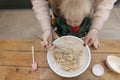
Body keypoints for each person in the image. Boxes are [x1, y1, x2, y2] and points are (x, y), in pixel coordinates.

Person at [31, 0, 117, 49]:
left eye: (76, 21)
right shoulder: (61, 20)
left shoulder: (87, 22)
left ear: (84, 16)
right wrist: (48, 30)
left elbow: (106, 2)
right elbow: (54, 27)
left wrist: (94, 29)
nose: (72, 24)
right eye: (68, 20)